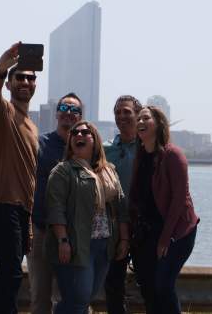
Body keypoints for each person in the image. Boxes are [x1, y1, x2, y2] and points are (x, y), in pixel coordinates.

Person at [46, 121, 130, 314]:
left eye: (86, 132)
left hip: (104, 246)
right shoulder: (63, 171)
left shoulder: (109, 171)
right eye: (75, 132)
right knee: (78, 300)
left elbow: (121, 206)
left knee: (84, 299)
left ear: (95, 140)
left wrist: (124, 239)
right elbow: (55, 208)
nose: (79, 135)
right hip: (76, 245)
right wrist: (63, 240)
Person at [0, 42, 39, 314]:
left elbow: (30, 178)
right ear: (9, 84)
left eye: (31, 78)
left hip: (20, 210)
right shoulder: (3, 111)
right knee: (12, 274)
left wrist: (28, 222)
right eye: (20, 77)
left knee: (6, 274)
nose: (26, 82)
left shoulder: (32, 125)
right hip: (2, 204)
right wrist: (1, 67)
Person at [129, 106, 199, 314]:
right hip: (148, 231)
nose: (140, 122)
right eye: (138, 119)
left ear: (158, 124)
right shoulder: (140, 154)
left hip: (178, 232)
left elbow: (179, 200)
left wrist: (164, 239)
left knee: (163, 286)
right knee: (148, 288)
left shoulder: (173, 155)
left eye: (146, 118)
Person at [28, 93, 83, 314]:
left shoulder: (85, 147)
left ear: (80, 117)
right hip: (40, 229)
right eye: (65, 107)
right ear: (56, 112)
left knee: (72, 297)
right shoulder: (40, 144)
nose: (68, 113)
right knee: (39, 296)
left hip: (75, 234)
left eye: (74, 110)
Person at [103, 95, 142, 314]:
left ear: (138, 115)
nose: (121, 116)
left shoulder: (148, 146)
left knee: (149, 282)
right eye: (117, 112)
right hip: (115, 226)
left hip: (143, 226)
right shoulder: (105, 148)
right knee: (113, 284)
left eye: (127, 112)